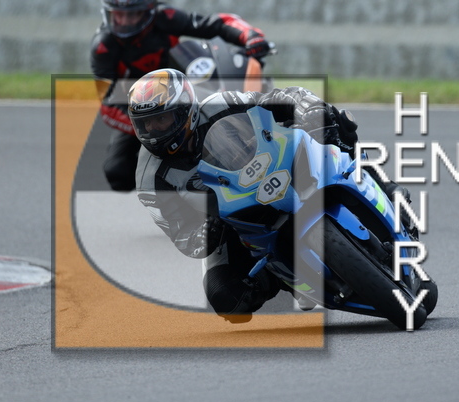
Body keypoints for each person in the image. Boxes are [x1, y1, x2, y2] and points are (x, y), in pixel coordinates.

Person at [128, 68, 410, 323]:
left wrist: (308, 108)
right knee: (227, 299)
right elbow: (181, 235)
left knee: (335, 121)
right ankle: (282, 277)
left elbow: (279, 98)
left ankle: (384, 186)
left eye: (161, 119)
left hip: (275, 163)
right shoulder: (149, 179)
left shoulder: (221, 103)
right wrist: (203, 233)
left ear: (185, 109)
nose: (153, 131)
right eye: (145, 124)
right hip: (229, 220)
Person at [91, 0, 271, 191]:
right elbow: (108, 104)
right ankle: (170, 186)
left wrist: (250, 35)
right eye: (119, 15)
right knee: (117, 171)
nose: (125, 22)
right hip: (141, 113)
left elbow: (216, 23)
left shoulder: (165, 17)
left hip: (181, 98)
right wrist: (144, 125)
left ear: (148, 12)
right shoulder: (103, 47)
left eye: (132, 14)